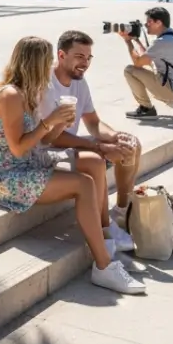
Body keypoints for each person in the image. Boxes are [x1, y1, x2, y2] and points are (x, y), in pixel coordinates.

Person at [0, 36, 145, 295]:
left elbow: (46, 137)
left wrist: (59, 121)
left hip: (30, 163)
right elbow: (17, 147)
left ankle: (106, 239)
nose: (49, 67)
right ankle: (104, 265)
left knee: (92, 170)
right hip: (8, 175)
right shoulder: (11, 95)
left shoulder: (26, 93)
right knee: (83, 185)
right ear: (32, 62)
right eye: (45, 61)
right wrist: (50, 122)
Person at [39, 30, 139, 249]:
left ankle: (121, 210)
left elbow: (93, 122)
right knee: (95, 158)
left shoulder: (79, 82)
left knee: (132, 143)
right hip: (46, 147)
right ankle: (104, 226)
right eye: (79, 56)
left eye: (88, 58)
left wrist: (115, 137)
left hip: (68, 143)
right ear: (61, 55)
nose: (85, 63)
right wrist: (99, 147)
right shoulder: (46, 85)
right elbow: (52, 138)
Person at [121, 6, 173, 120]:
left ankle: (146, 109)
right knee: (154, 70)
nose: (146, 25)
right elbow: (149, 59)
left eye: (149, 22)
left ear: (158, 23)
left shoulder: (162, 42)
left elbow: (138, 62)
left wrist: (128, 42)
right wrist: (136, 40)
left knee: (129, 70)